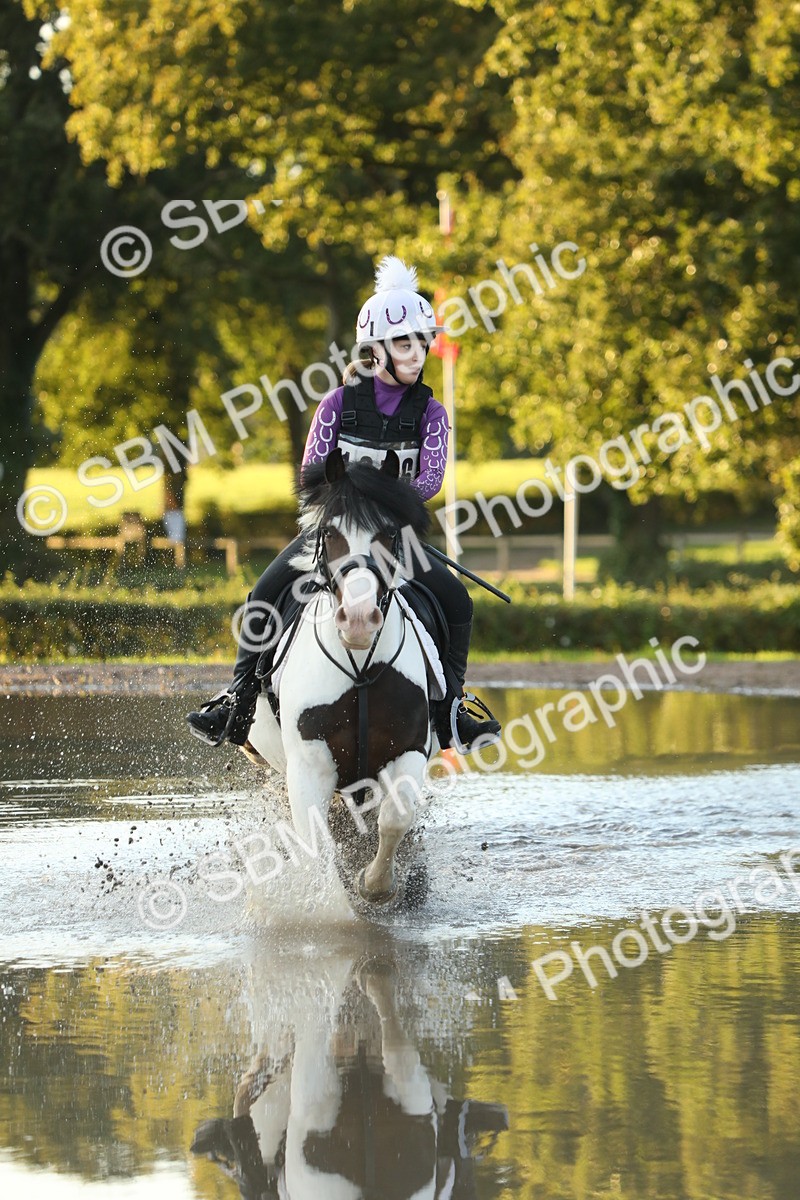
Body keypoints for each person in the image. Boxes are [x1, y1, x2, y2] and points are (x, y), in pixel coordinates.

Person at [187, 255, 501, 751]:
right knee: (262, 594)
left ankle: (453, 709)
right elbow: (313, 473)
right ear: (377, 349)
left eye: (423, 342)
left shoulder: (433, 413)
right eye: (405, 343)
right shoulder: (335, 404)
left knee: (457, 600)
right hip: (330, 533)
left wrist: (379, 506)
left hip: (395, 539)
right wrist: (353, 500)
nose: (418, 353)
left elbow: (431, 480)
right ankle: (239, 696)